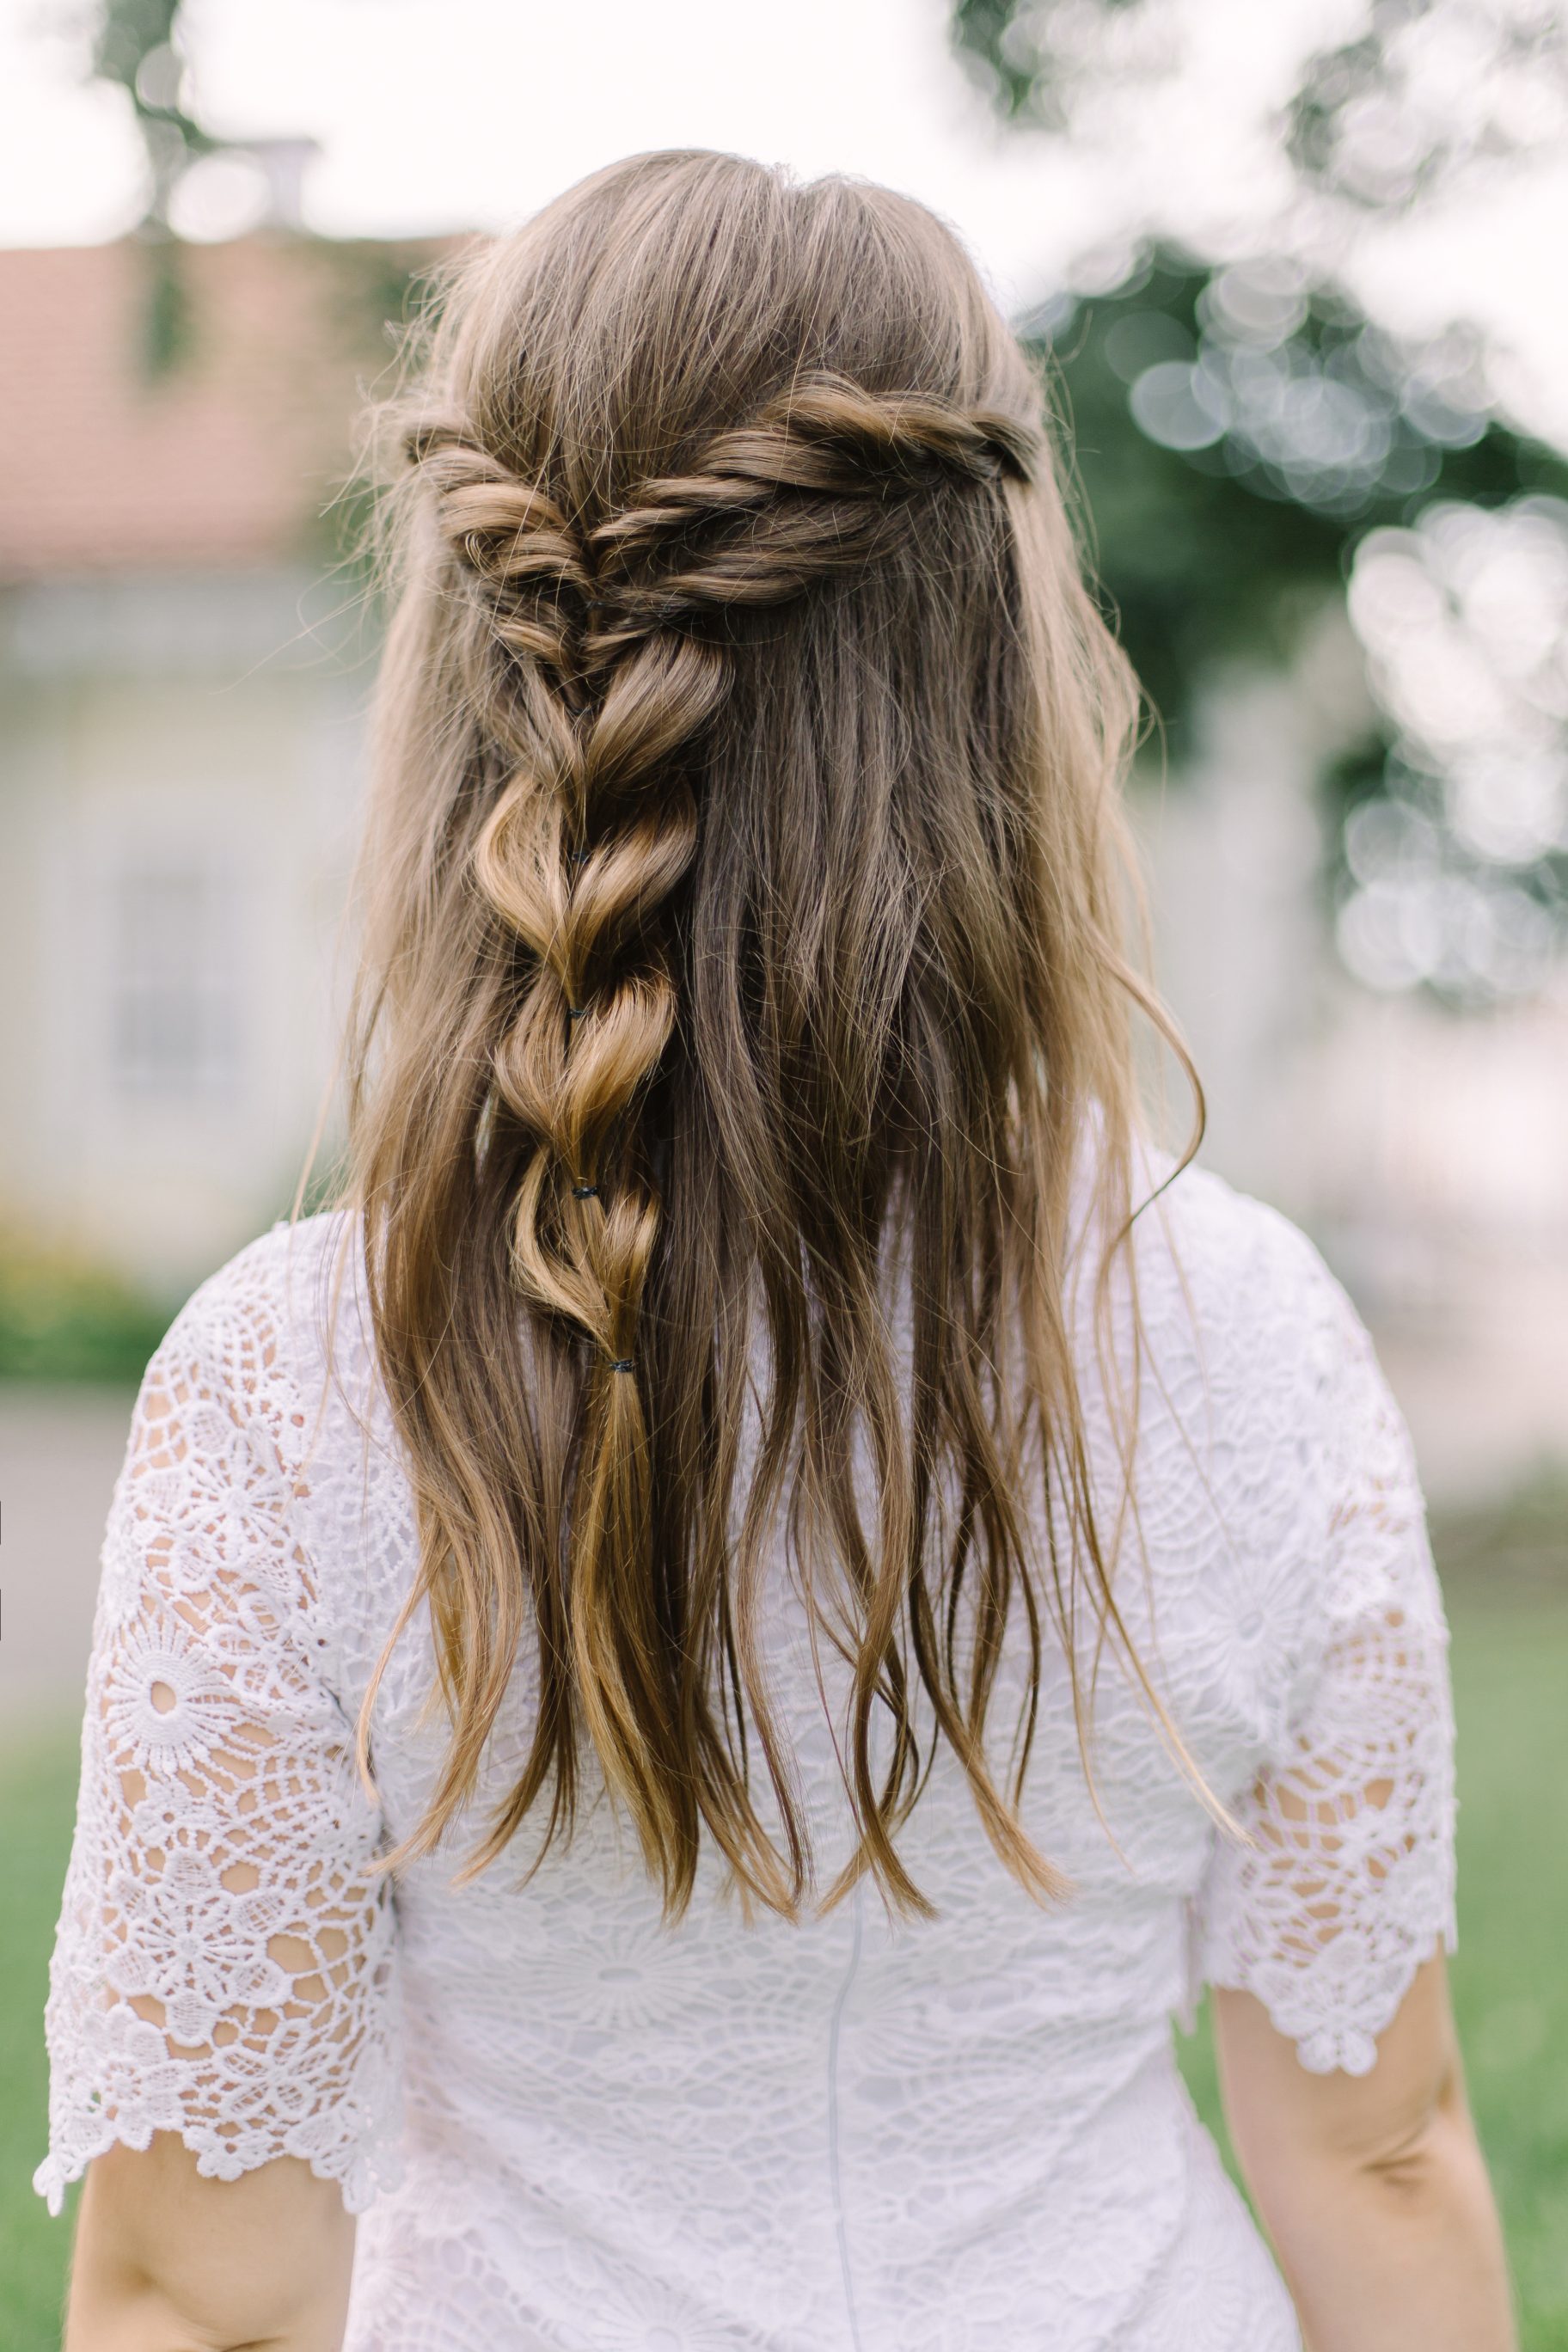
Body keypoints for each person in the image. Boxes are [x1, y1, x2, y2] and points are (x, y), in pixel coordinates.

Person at [37, 150, 1513, 2352]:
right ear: (1009, 663)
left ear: (471, 662)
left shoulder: (298, 1382)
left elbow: (202, 2292)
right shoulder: (1261, 1334)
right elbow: (1379, 2157)